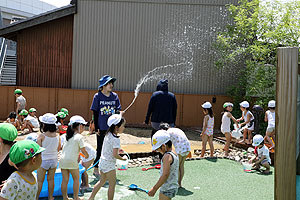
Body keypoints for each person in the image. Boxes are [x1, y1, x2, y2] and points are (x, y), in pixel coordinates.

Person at [89, 114, 127, 200]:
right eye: (123, 126)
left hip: (102, 162)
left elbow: (109, 148)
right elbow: (115, 155)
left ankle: (91, 198)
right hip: (109, 165)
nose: (124, 128)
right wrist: (123, 158)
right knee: (112, 185)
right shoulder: (116, 139)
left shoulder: (107, 134)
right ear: (116, 127)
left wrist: (118, 150)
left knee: (101, 181)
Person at [90, 75, 121, 178]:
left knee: (111, 149)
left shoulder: (115, 96)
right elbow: (95, 112)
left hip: (111, 129)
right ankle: (96, 168)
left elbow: (117, 110)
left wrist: (119, 114)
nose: (111, 85)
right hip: (101, 127)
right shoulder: (97, 96)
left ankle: (109, 168)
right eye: (109, 83)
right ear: (103, 85)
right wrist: (96, 127)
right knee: (100, 148)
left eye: (112, 83)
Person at [59, 115, 89, 200]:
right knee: (76, 179)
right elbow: (83, 151)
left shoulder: (66, 136)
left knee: (65, 180)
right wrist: (87, 156)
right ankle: (76, 197)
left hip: (63, 160)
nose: (83, 129)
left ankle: (65, 197)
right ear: (80, 126)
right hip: (72, 161)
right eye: (83, 126)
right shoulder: (79, 137)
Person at [36, 113, 61, 200]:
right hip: (54, 160)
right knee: (51, 180)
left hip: (43, 161)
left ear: (44, 124)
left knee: (40, 181)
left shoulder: (41, 136)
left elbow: (37, 150)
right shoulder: (58, 136)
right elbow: (58, 149)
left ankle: (36, 198)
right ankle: (50, 197)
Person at [148, 130, 179, 200]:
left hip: (167, 189)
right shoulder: (174, 152)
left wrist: (154, 188)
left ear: (163, 146)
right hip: (173, 186)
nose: (157, 151)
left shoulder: (167, 157)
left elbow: (165, 175)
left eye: (158, 149)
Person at [159, 123, 190, 188]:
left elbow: (166, 145)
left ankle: (177, 184)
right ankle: (179, 183)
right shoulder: (175, 129)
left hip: (180, 148)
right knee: (181, 166)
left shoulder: (167, 133)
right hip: (187, 147)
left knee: (177, 166)